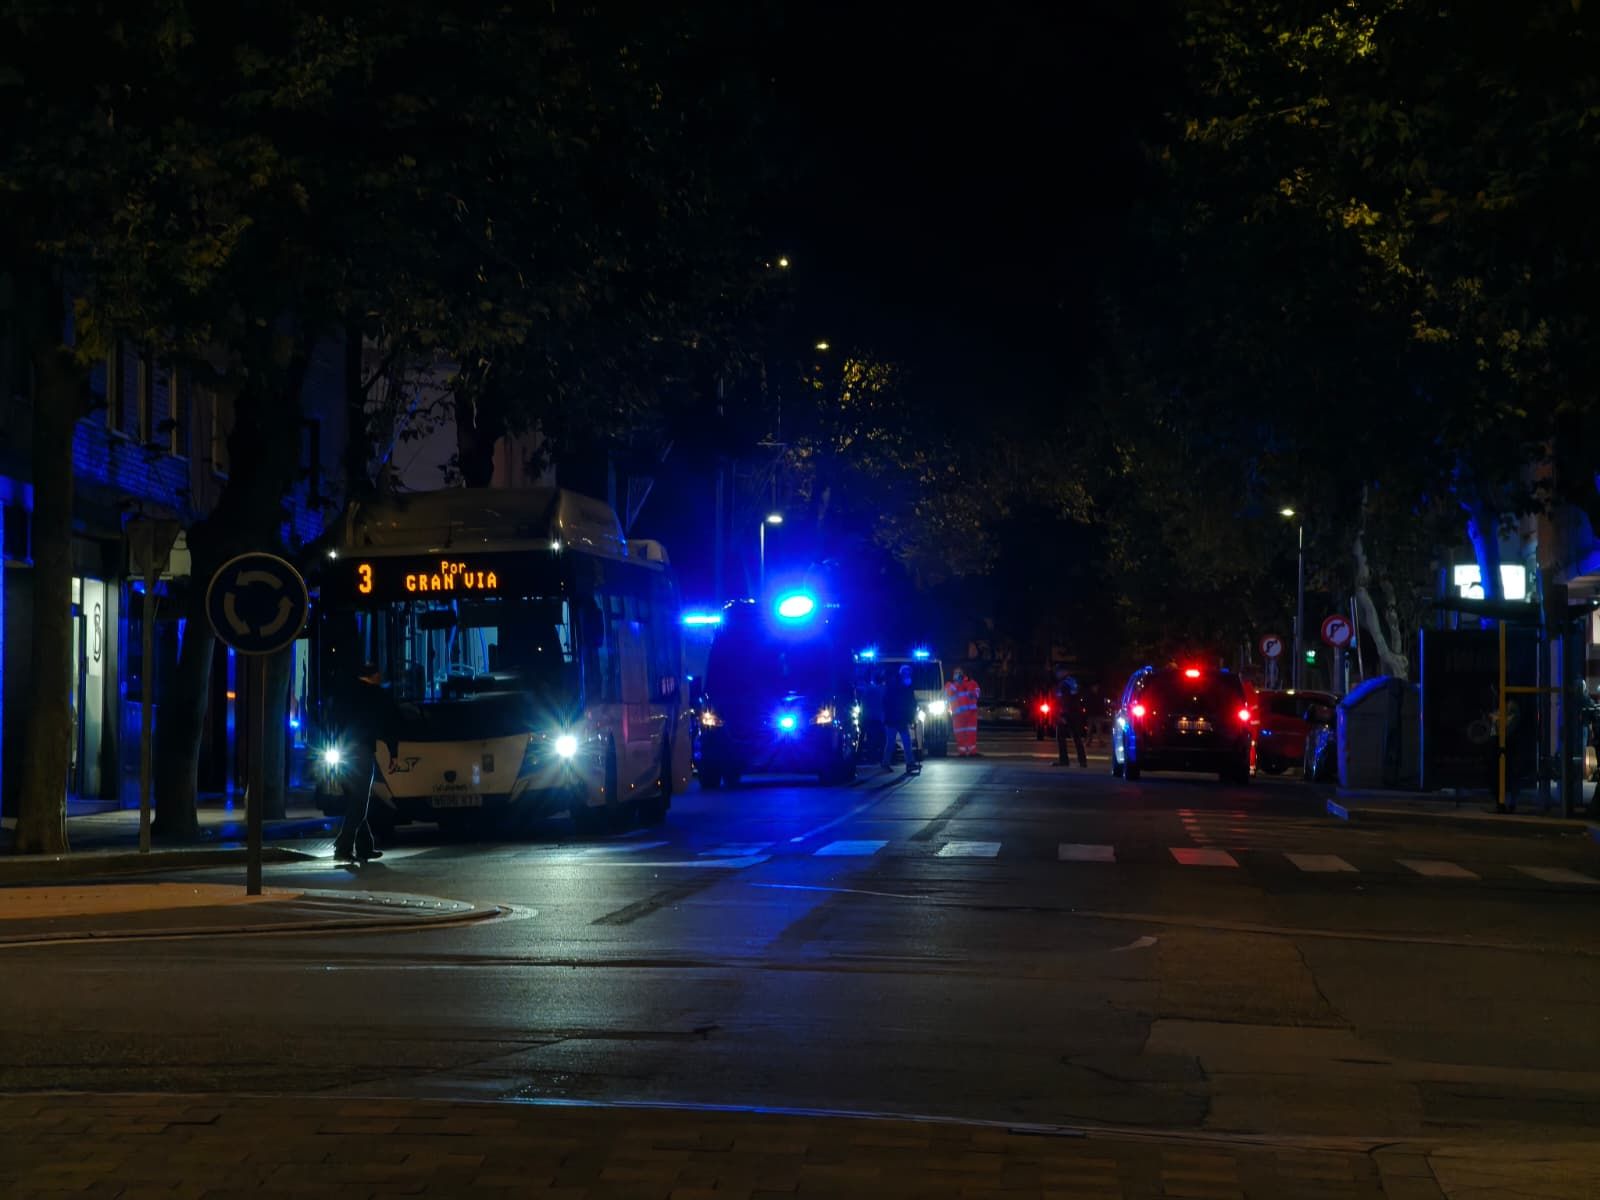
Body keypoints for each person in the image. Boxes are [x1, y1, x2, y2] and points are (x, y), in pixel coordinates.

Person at [333, 660, 402, 864]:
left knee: (356, 798)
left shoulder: (345, 693)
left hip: (342, 751)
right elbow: (390, 725)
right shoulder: (376, 696)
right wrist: (393, 753)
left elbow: (332, 719)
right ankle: (343, 846)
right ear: (375, 676)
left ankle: (364, 847)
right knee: (361, 801)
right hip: (362, 752)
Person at [883, 664, 919, 774]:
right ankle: (909, 763)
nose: (909, 675)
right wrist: (911, 717)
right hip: (898, 718)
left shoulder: (894, 684)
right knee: (904, 741)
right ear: (903, 674)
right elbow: (909, 703)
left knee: (893, 742)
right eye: (907, 673)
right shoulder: (902, 686)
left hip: (893, 718)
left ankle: (886, 763)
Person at [1052, 668, 1088, 768]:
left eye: (1058, 672)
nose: (1056, 675)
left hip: (1067, 713)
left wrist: (1063, 715)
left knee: (1060, 737)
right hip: (1075, 713)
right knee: (1077, 738)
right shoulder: (1073, 682)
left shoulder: (1063, 684)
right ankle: (1082, 761)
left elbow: (1065, 700)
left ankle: (1064, 760)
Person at [945, 667, 980, 757]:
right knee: (959, 734)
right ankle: (962, 752)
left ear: (963, 674)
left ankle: (972, 751)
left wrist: (966, 685)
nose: (958, 675)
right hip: (957, 715)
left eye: (959, 673)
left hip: (970, 714)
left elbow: (976, 694)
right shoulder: (950, 685)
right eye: (956, 673)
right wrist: (958, 684)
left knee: (971, 734)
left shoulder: (972, 683)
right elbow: (947, 694)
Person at [859, 668, 887, 765]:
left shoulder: (867, 690)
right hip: (880, 718)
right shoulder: (884, 690)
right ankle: (881, 757)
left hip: (869, 717)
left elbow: (862, 703)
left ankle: (871, 757)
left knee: (871, 739)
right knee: (882, 739)